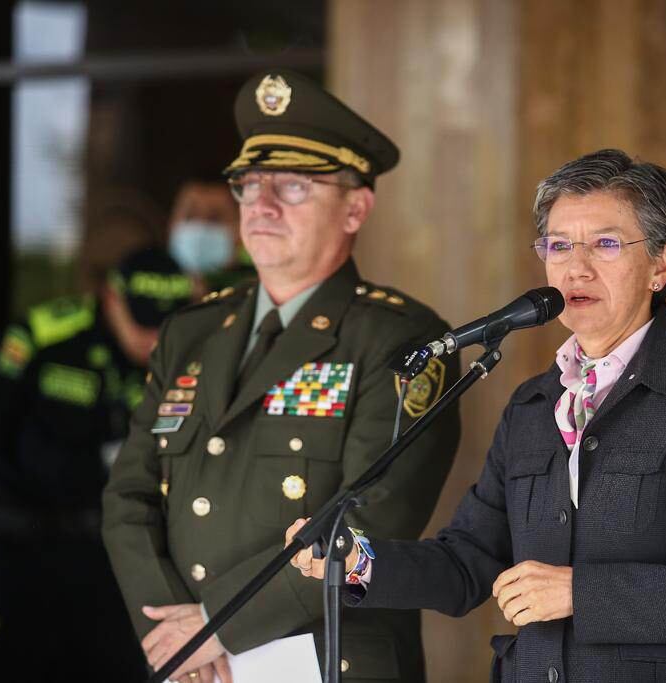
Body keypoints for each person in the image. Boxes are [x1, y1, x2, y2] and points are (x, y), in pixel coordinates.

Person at [287, 149, 666, 682]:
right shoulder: (532, 406)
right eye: (559, 245)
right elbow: (468, 562)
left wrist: (580, 593)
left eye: (606, 244)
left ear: (661, 265)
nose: (577, 267)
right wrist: (360, 563)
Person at [101, 70, 461, 683]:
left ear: (356, 208)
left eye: (293, 187)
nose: (261, 205)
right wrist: (172, 636)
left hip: (325, 661)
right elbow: (128, 497)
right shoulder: (191, 332)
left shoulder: (402, 339)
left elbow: (373, 522)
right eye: (249, 184)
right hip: (189, 668)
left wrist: (214, 626)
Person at [0, 247, 193, 683]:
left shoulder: (188, 355)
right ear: (112, 300)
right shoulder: (45, 334)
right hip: (21, 551)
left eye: (166, 326)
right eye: (142, 323)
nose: (152, 339)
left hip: (113, 564)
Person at [167, 180, 254, 297]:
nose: (200, 226)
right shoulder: (142, 277)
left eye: (214, 218)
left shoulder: (254, 291)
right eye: (191, 216)